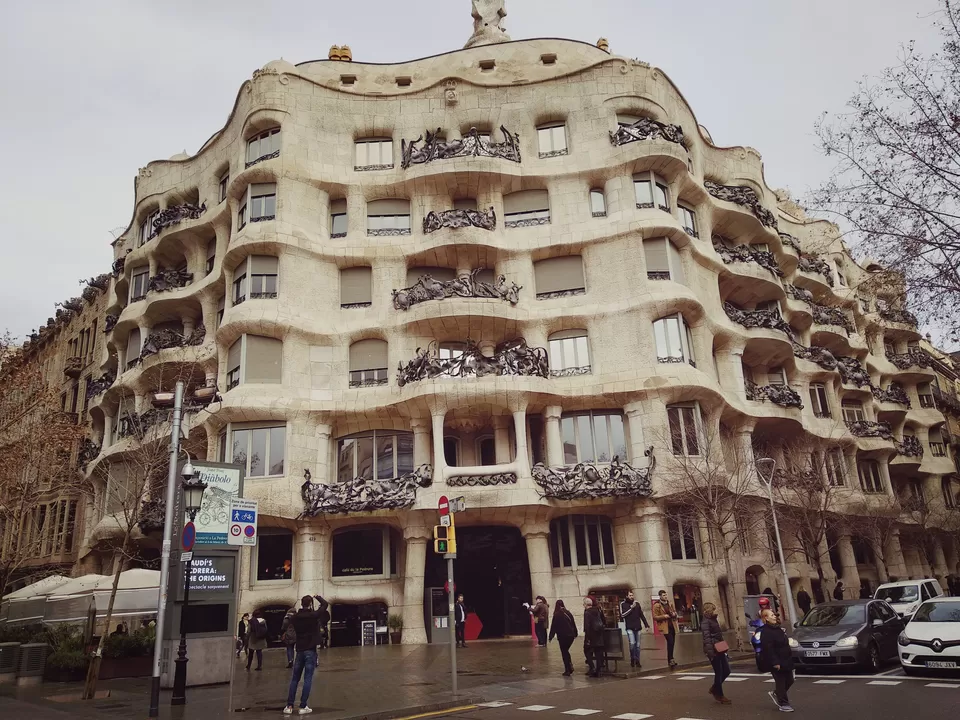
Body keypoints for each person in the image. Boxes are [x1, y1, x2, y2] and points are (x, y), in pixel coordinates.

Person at [284, 594, 328, 716]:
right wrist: (317, 596)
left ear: (301, 604)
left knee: (295, 678)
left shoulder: (296, 617)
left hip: (299, 649)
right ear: (310, 604)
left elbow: (289, 618)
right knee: (308, 678)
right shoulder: (313, 616)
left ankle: (289, 705)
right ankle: (303, 705)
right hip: (310, 649)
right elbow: (325, 605)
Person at [759, 608, 795, 713]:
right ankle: (783, 704)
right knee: (781, 682)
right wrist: (775, 662)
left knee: (790, 680)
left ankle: (777, 693)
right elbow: (768, 649)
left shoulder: (778, 628)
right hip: (777, 661)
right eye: (771, 615)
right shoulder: (766, 632)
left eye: (774, 614)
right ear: (766, 618)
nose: (774, 616)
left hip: (786, 659)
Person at [701, 603, 731, 704]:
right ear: (709, 610)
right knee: (719, 672)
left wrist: (724, 647)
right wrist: (710, 653)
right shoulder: (706, 622)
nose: (715, 610)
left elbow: (718, 635)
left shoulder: (713, 619)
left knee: (726, 670)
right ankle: (719, 694)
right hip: (713, 650)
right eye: (713, 609)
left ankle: (714, 688)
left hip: (719, 647)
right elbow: (707, 638)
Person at [619, 590, 650, 669]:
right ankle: (632, 658)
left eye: (632, 595)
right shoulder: (623, 604)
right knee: (632, 644)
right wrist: (631, 608)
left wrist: (646, 625)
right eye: (630, 595)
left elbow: (641, 615)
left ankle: (637, 660)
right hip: (629, 627)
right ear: (627, 596)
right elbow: (623, 615)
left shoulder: (637, 604)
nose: (632, 597)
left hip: (638, 626)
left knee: (638, 645)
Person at [548, 599, 578, 676]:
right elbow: (573, 623)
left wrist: (551, 636)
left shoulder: (557, 614)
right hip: (570, 636)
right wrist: (575, 633)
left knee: (564, 652)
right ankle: (569, 665)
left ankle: (568, 669)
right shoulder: (568, 612)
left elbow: (553, 626)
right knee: (566, 651)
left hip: (562, 636)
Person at [653, 590, 680, 668]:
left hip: (672, 625)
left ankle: (671, 659)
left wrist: (674, 614)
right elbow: (655, 617)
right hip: (664, 626)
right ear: (660, 596)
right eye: (664, 595)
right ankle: (670, 659)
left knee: (672, 642)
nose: (665, 596)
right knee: (670, 641)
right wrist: (663, 616)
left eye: (666, 595)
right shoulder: (657, 605)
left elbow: (674, 612)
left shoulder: (670, 603)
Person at [582, 596, 605, 678]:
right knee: (598, 653)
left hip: (592, 636)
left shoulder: (587, 612)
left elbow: (587, 626)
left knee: (586, 651)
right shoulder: (598, 610)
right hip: (599, 635)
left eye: (583, 604)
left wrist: (587, 638)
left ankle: (592, 668)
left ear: (586, 604)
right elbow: (603, 621)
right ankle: (599, 671)